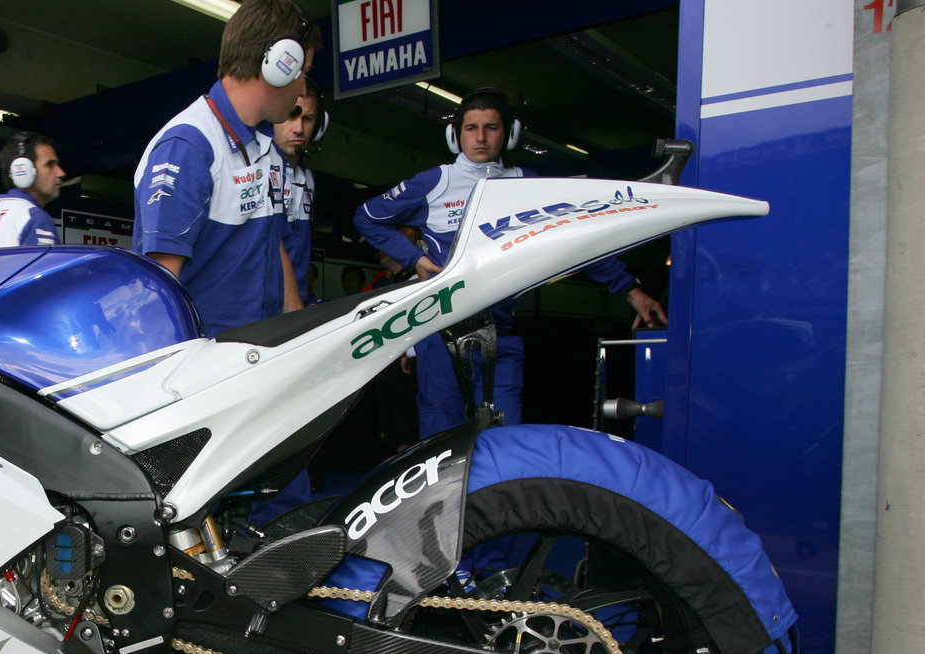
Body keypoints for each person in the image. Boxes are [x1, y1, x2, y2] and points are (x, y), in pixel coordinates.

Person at [354, 87, 666, 437]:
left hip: (501, 335)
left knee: (504, 438)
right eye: (471, 128)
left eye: (491, 127)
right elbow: (367, 218)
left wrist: (630, 290)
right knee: (442, 440)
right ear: (455, 135)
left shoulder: (527, 186)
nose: (481, 137)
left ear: (510, 133)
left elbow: (576, 240)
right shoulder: (436, 182)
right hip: (441, 334)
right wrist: (415, 258)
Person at [132, 0, 316, 335]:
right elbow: (159, 286)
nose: (303, 87)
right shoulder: (189, 146)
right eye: (302, 73)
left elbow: (275, 243)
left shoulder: (266, 146)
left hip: (260, 349)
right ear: (278, 65)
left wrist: (296, 326)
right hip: (208, 357)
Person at [276, 79, 325, 305]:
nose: (299, 128)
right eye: (291, 115)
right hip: (264, 308)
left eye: (308, 118)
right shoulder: (256, 169)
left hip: (298, 303)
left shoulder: (307, 177)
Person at [0, 133, 63, 249]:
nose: (60, 173)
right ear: (24, 170)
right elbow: (44, 262)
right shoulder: (35, 218)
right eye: (50, 164)